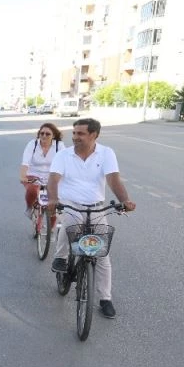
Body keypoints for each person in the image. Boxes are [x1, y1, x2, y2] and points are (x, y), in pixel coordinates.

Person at [47, 118, 136, 318]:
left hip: (96, 208)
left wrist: (126, 201)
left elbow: (113, 179)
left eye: (81, 134)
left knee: (102, 256)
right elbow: (53, 179)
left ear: (94, 135)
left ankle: (105, 299)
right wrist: (53, 199)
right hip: (70, 204)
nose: (75, 137)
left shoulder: (106, 153)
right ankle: (60, 258)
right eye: (74, 133)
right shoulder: (64, 155)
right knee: (71, 224)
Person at [19, 123, 62, 218]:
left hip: (52, 177)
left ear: (53, 135)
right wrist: (23, 176)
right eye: (42, 133)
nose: (44, 136)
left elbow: (65, 163)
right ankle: (29, 207)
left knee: (53, 206)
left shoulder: (59, 146)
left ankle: (50, 231)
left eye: (47, 134)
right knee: (32, 190)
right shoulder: (33, 144)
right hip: (33, 175)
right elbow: (25, 162)